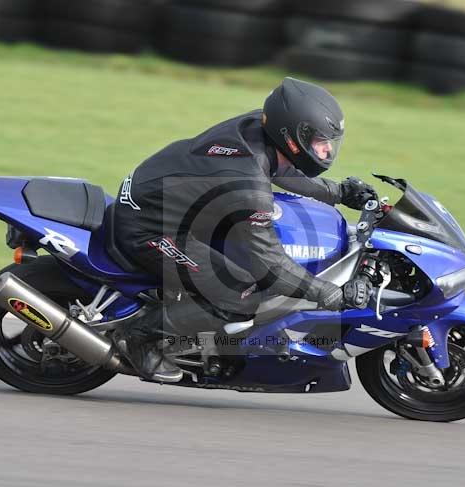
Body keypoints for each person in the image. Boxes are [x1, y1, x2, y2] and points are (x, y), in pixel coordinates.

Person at [114, 77, 376, 382]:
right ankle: (140, 337)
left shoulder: (258, 129)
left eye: (328, 142)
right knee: (238, 293)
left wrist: (339, 193)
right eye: (319, 142)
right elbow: (271, 266)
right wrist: (328, 293)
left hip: (167, 200)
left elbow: (284, 169)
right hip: (147, 227)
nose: (326, 150)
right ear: (292, 136)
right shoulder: (249, 187)